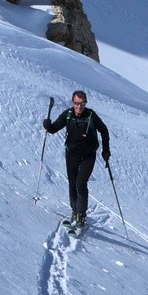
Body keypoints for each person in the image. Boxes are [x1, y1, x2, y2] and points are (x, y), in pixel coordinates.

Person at [44, 90, 110, 230]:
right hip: (71, 155)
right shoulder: (68, 114)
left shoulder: (91, 115)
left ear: (86, 103)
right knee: (72, 183)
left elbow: (104, 130)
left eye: (82, 103)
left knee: (81, 183)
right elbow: (54, 128)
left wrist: (106, 150)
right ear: (72, 102)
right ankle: (75, 212)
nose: (79, 106)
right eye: (77, 103)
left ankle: (81, 215)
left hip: (88, 155)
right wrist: (48, 126)